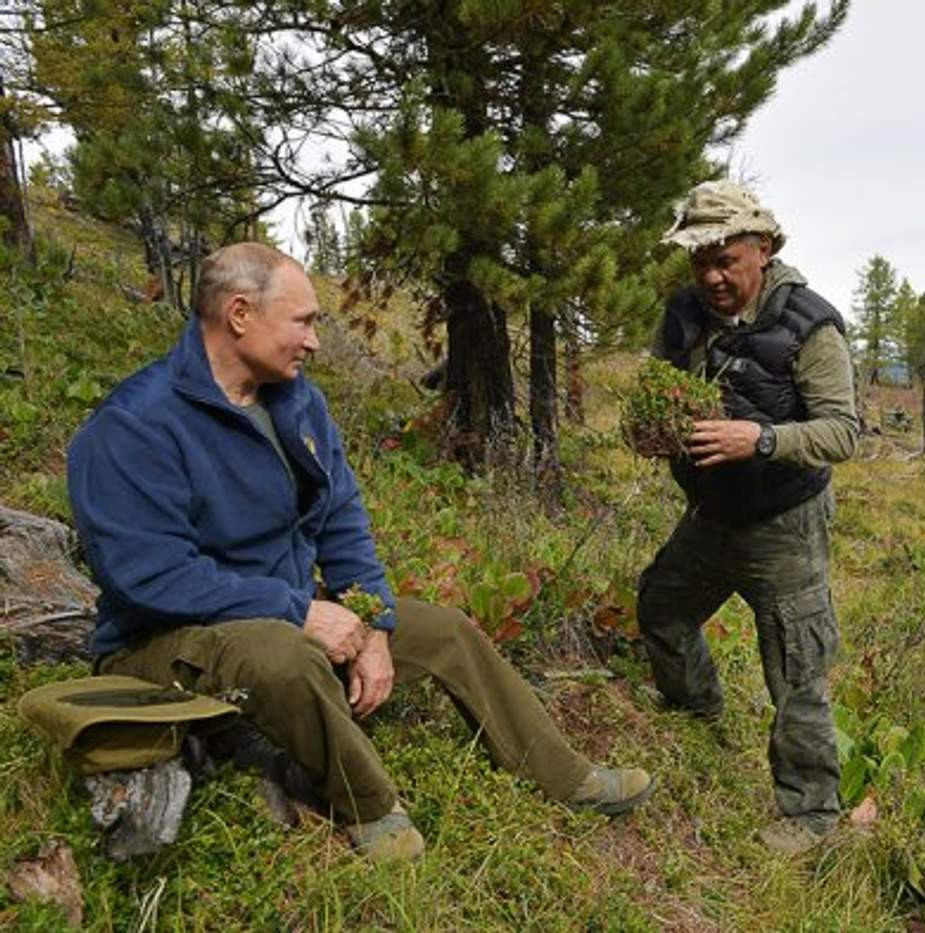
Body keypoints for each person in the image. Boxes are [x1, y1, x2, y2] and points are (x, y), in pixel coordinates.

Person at [66, 243, 654, 862]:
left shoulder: (296, 401)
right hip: (163, 641)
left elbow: (342, 521)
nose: (315, 342)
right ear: (239, 313)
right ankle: (370, 807)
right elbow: (149, 577)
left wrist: (371, 624)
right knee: (281, 654)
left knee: (446, 631)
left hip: (279, 613)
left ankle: (564, 775)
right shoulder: (134, 426)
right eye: (303, 321)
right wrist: (298, 611)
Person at [638, 181, 858, 855]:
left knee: (795, 670)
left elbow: (843, 432)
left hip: (784, 524)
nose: (710, 276)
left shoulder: (810, 326)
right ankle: (697, 713)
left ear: (761, 248)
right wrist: (653, 430)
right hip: (709, 514)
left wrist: (757, 438)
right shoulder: (681, 315)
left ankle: (812, 815)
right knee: (661, 608)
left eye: (725, 259)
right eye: (698, 261)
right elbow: (656, 390)